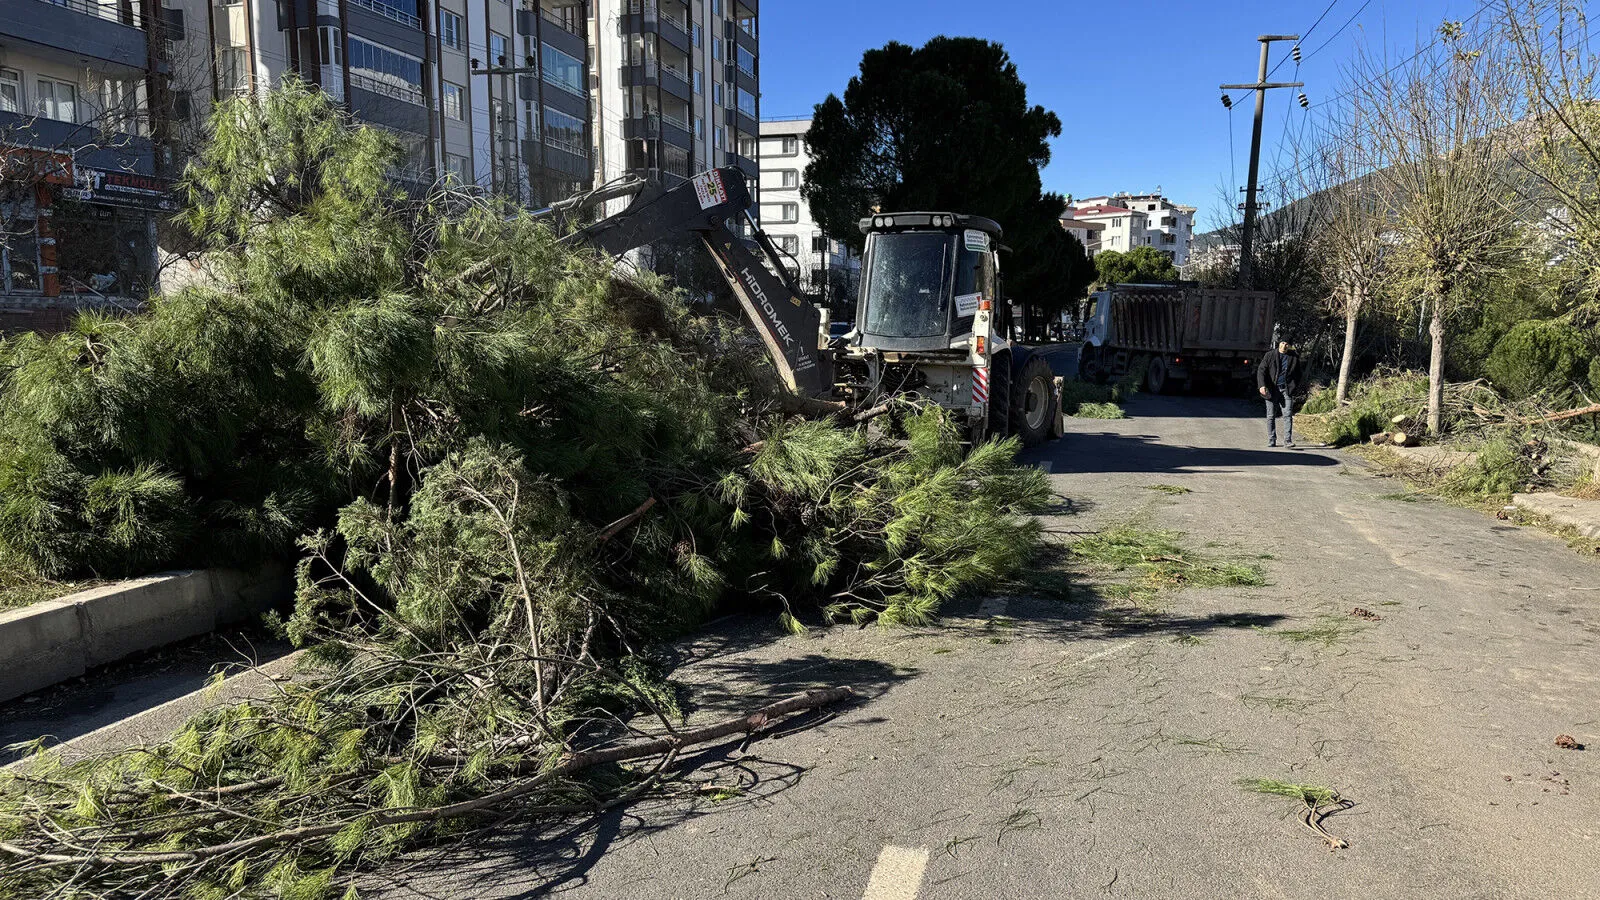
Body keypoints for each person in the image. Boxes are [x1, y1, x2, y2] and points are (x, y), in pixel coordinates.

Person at [1256, 338, 1302, 448]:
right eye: (1282, 343)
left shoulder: (1294, 357)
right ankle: (1272, 439)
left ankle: (1288, 440)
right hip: (1272, 390)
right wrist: (1262, 385)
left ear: (1289, 346)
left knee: (1287, 415)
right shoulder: (1270, 355)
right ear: (1278, 343)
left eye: (1286, 344)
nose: (1284, 346)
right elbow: (1261, 370)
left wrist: (1294, 387)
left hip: (1286, 390)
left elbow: (1299, 374)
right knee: (1271, 415)